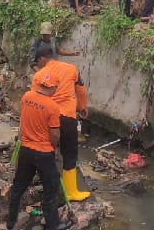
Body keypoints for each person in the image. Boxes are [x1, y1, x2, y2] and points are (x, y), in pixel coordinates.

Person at [6, 74, 69, 230]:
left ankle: (10, 221)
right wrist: (55, 148)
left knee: (18, 186)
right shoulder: (52, 106)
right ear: (53, 87)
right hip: (43, 152)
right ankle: (52, 225)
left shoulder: (26, 97)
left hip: (26, 150)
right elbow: (55, 134)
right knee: (51, 187)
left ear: (41, 85)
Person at [31, 46, 90, 201]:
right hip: (68, 117)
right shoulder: (71, 69)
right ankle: (71, 193)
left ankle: (49, 189)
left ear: (42, 59)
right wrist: (82, 107)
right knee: (70, 154)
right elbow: (81, 90)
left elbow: (34, 100)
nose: (38, 64)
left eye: (38, 61)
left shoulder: (39, 75)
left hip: (48, 118)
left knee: (48, 151)